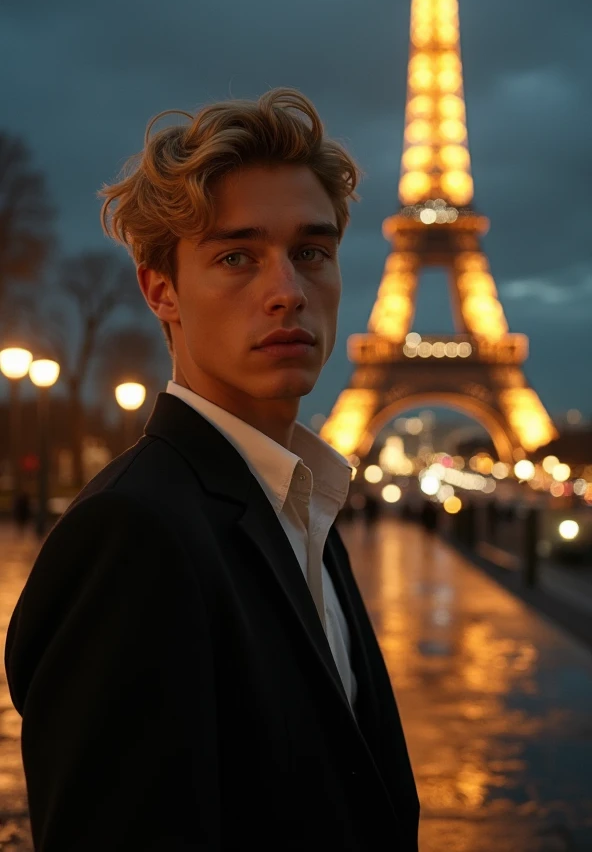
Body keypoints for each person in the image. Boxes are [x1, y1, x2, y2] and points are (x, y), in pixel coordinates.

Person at [4, 88, 419, 851]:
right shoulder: (132, 535)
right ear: (160, 289)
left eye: (311, 252)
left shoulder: (303, 513)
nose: (288, 292)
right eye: (237, 256)